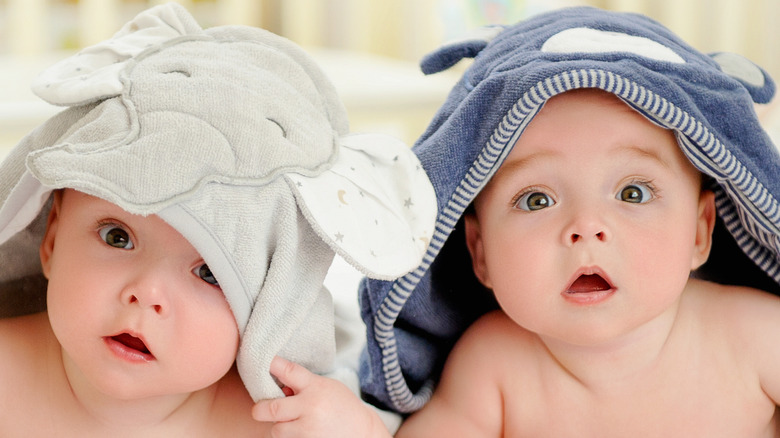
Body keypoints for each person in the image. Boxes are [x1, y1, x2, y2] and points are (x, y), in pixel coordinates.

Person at [0, 3, 435, 436]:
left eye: (210, 272)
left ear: (269, 307)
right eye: (117, 237)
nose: (147, 294)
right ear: (52, 240)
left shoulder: (276, 422)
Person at [354, 6, 780, 436]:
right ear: (480, 253)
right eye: (536, 199)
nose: (587, 227)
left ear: (700, 232)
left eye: (633, 193)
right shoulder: (493, 365)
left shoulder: (757, 338)